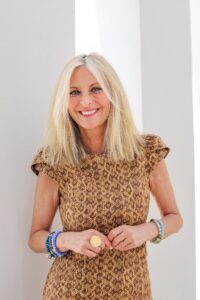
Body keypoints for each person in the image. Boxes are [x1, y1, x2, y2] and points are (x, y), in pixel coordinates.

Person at [28, 52, 183, 300]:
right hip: (68, 291)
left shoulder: (146, 151)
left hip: (133, 290)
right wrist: (68, 240)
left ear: (113, 93)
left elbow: (175, 218)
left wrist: (146, 230)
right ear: (64, 101)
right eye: (74, 92)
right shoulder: (54, 160)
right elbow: (36, 237)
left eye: (95, 89)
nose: (85, 101)